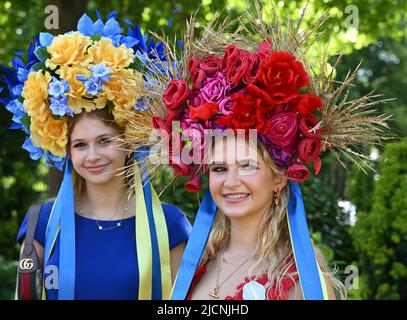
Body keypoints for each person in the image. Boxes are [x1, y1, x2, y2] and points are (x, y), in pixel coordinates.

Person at [118, 6, 391, 300]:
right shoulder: (193, 264)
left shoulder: (299, 279)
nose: (231, 181)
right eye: (220, 168)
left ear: (279, 178)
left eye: (247, 165)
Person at [1, 12, 191, 300]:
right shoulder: (43, 222)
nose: (93, 155)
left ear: (129, 142)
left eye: (105, 140)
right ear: (65, 148)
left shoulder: (170, 225)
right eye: (79, 145)